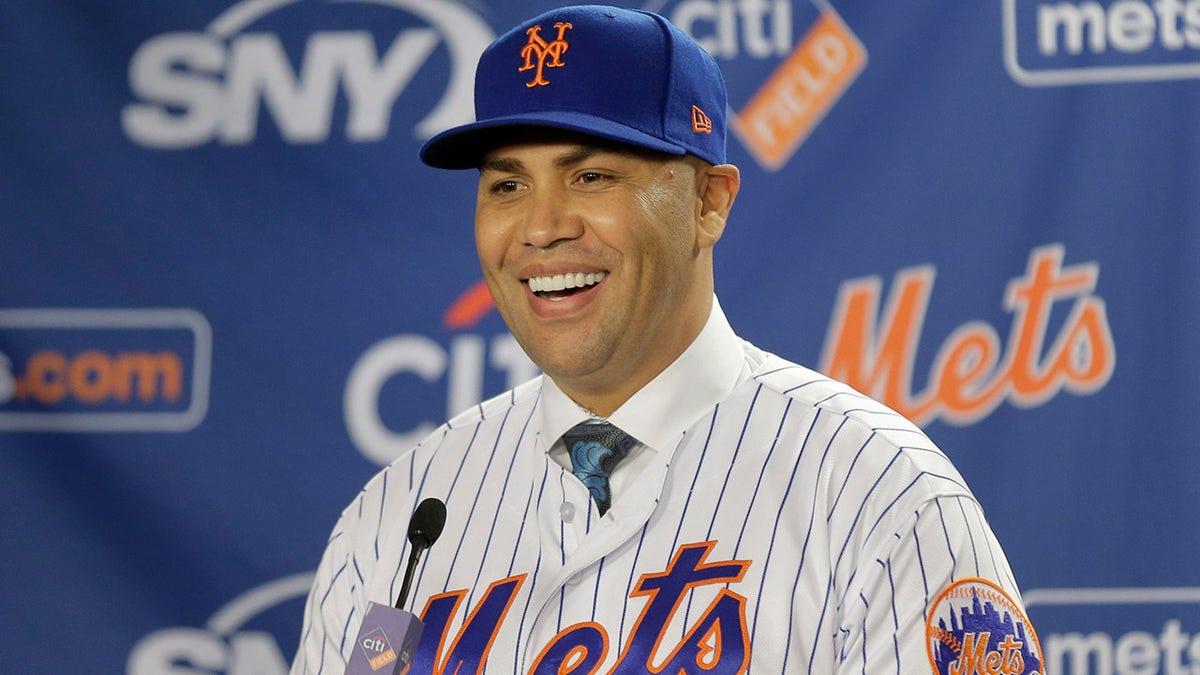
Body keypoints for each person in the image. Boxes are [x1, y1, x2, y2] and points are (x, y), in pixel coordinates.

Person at [292, 5, 1043, 674]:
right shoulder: (396, 516)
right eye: (507, 185)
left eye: (591, 176)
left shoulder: (876, 490)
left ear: (709, 202)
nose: (542, 227)